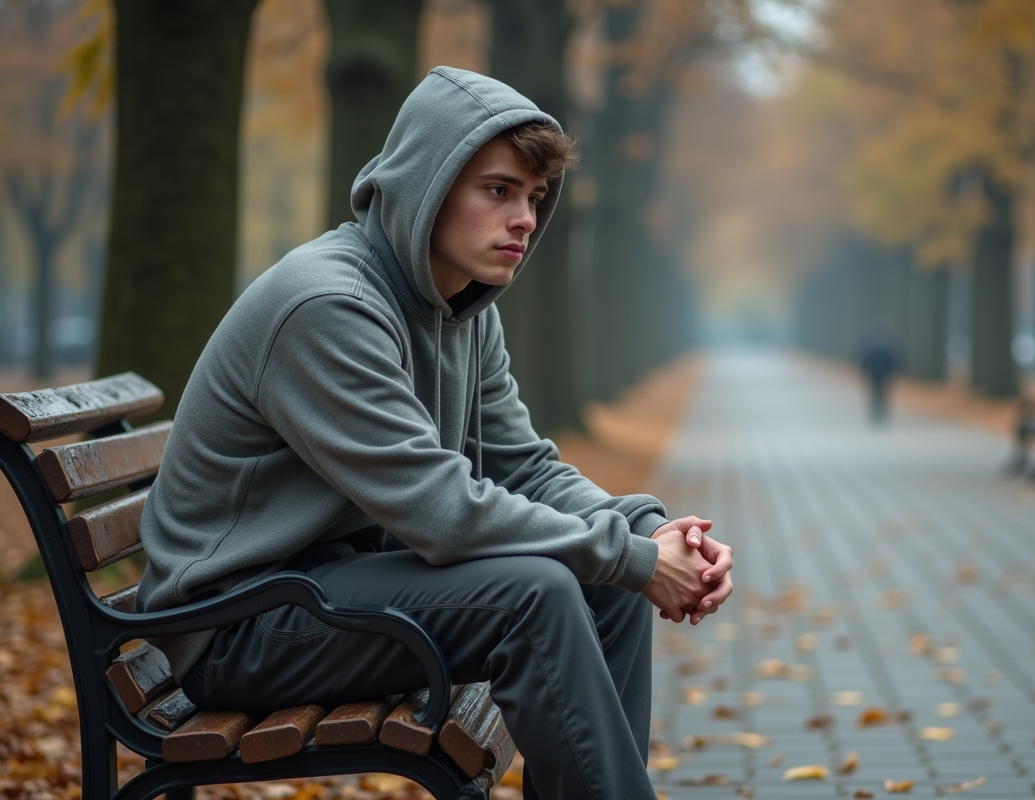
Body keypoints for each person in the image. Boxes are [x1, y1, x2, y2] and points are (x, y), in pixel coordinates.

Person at [136, 67, 734, 800]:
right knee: (539, 592)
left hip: (325, 593)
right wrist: (635, 558)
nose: (525, 219)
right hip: (237, 625)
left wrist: (651, 530)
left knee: (601, 582)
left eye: (534, 197)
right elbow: (440, 509)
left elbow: (527, 468)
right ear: (426, 184)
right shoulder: (327, 306)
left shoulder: (464, 309)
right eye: (497, 190)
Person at [859, 320, 899, 424]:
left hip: (873, 375)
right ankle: (882, 416)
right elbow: (894, 362)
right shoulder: (889, 346)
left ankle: (875, 416)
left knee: (874, 395)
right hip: (885, 376)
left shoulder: (870, 345)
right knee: (884, 396)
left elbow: (865, 361)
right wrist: (893, 375)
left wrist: (863, 374)